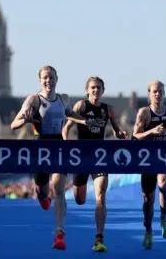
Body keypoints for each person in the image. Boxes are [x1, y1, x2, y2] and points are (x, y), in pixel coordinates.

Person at [10, 65, 102, 251]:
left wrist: (85, 120)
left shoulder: (63, 99)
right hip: (40, 148)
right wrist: (25, 121)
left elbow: (70, 114)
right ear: (40, 80)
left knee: (59, 189)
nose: (48, 81)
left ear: (56, 79)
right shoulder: (34, 100)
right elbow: (14, 125)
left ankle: (60, 232)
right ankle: (43, 198)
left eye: (51, 77)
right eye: (45, 77)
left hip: (59, 147)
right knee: (43, 191)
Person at [62, 76, 128, 253]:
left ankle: (99, 238)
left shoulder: (108, 110)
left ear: (103, 91)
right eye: (92, 88)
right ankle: (80, 193)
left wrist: (121, 134)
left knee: (100, 196)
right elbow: (65, 128)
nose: (96, 91)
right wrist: (66, 143)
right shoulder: (80, 106)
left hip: (100, 158)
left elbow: (116, 130)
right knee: (80, 199)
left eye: (99, 88)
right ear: (87, 90)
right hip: (82, 158)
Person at [132, 80, 166, 250]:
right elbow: (135, 136)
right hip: (148, 159)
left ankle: (164, 219)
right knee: (148, 199)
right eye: (154, 91)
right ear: (149, 93)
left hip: (165, 157)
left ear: (164, 92)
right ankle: (148, 230)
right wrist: (152, 132)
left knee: (163, 182)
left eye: (160, 91)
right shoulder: (145, 113)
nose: (158, 94)